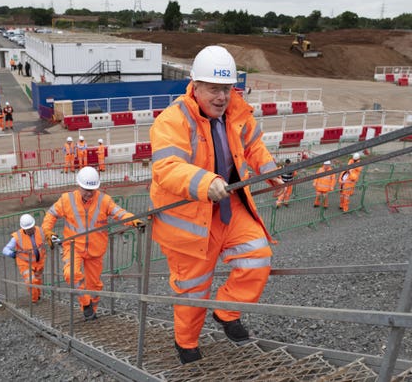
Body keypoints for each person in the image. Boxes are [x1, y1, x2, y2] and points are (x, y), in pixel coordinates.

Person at [149, 45, 284, 364]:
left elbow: (254, 147)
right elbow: (166, 167)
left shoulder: (236, 111)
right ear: (195, 86)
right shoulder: (172, 121)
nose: (222, 97)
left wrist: (273, 173)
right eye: (214, 89)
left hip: (228, 207)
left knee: (257, 257)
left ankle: (225, 312)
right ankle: (186, 344)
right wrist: (205, 182)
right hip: (189, 220)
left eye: (227, 89)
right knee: (194, 291)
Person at [41, 167, 144, 321]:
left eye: (92, 189)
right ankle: (85, 303)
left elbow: (119, 213)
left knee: (95, 285)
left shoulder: (104, 200)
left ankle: (91, 312)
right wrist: (47, 231)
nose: (89, 193)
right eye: (86, 189)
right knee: (71, 274)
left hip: (96, 249)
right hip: (73, 247)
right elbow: (50, 215)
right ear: (79, 185)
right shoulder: (66, 200)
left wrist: (133, 220)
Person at [2, 214, 47, 303]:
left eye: (31, 228)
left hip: (39, 262)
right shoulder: (17, 237)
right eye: (28, 229)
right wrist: (12, 254)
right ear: (23, 228)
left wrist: (56, 241)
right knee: (31, 281)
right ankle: (34, 300)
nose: (30, 230)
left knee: (38, 281)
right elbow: (5, 249)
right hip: (25, 263)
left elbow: (50, 237)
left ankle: (38, 297)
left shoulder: (40, 231)